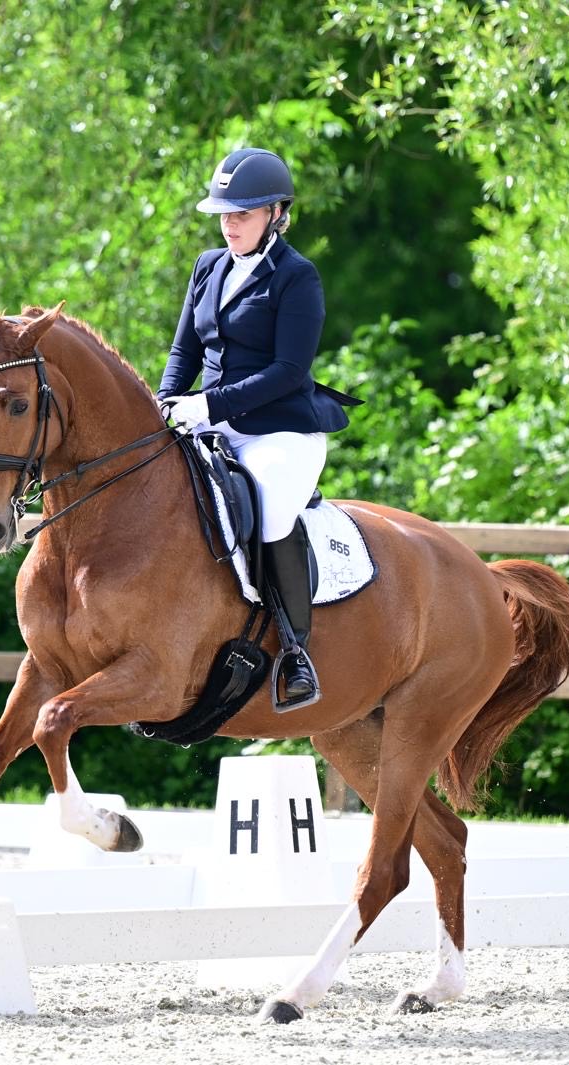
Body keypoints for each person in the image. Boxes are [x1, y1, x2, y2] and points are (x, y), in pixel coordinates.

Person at [157, 147, 359, 711]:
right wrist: (168, 399)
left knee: (269, 513)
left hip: (279, 433)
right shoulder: (209, 265)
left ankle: (297, 654)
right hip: (211, 423)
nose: (229, 225)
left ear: (275, 212)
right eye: (224, 214)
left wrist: (207, 406)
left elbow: (287, 373)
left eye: (241, 214)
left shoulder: (297, 277)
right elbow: (185, 348)